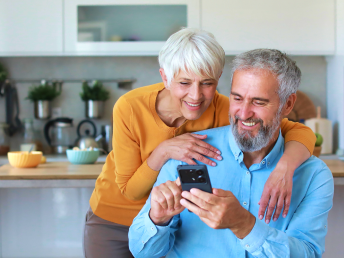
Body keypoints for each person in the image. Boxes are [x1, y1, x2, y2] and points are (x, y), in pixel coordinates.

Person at [84, 29, 316, 257]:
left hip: (175, 226)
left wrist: (285, 168)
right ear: (165, 77)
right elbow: (131, 191)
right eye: (184, 83)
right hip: (114, 220)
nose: (196, 96)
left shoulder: (227, 108)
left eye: (207, 83)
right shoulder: (130, 107)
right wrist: (163, 152)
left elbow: (298, 130)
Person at [129, 49, 334, 258]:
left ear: (288, 104)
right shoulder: (187, 152)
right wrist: (157, 219)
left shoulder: (313, 176)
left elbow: (308, 254)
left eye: (259, 102)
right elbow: (142, 252)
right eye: (237, 98)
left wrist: (244, 225)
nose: (243, 114)